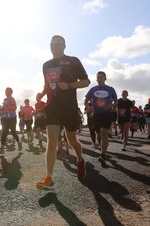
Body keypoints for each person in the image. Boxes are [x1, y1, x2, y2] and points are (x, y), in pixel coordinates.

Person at [36, 35, 90, 190]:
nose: (55, 46)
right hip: (52, 107)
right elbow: (48, 84)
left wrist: (70, 85)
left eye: (58, 43)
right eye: (52, 43)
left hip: (69, 107)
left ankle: (80, 159)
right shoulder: (46, 65)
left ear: (64, 46)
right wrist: (42, 93)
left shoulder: (73, 60)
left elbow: (86, 81)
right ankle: (49, 178)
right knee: (52, 142)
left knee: (72, 140)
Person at [84, 71, 118, 164]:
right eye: (98, 77)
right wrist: (88, 107)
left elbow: (116, 101)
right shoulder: (93, 89)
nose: (99, 79)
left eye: (101, 77)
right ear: (96, 79)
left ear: (105, 78)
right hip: (96, 115)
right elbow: (86, 100)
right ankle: (102, 148)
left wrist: (111, 106)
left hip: (107, 114)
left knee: (104, 134)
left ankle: (103, 154)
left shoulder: (110, 89)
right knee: (99, 135)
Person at [0, 87, 22, 154]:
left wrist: (7, 106)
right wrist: (1, 109)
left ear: (11, 92)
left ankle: (19, 142)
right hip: (5, 118)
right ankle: (2, 148)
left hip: (12, 118)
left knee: (13, 132)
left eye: (7, 91)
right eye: (5, 91)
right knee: (4, 133)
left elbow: (14, 108)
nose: (6, 93)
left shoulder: (12, 99)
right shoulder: (5, 100)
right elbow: (5, 109)